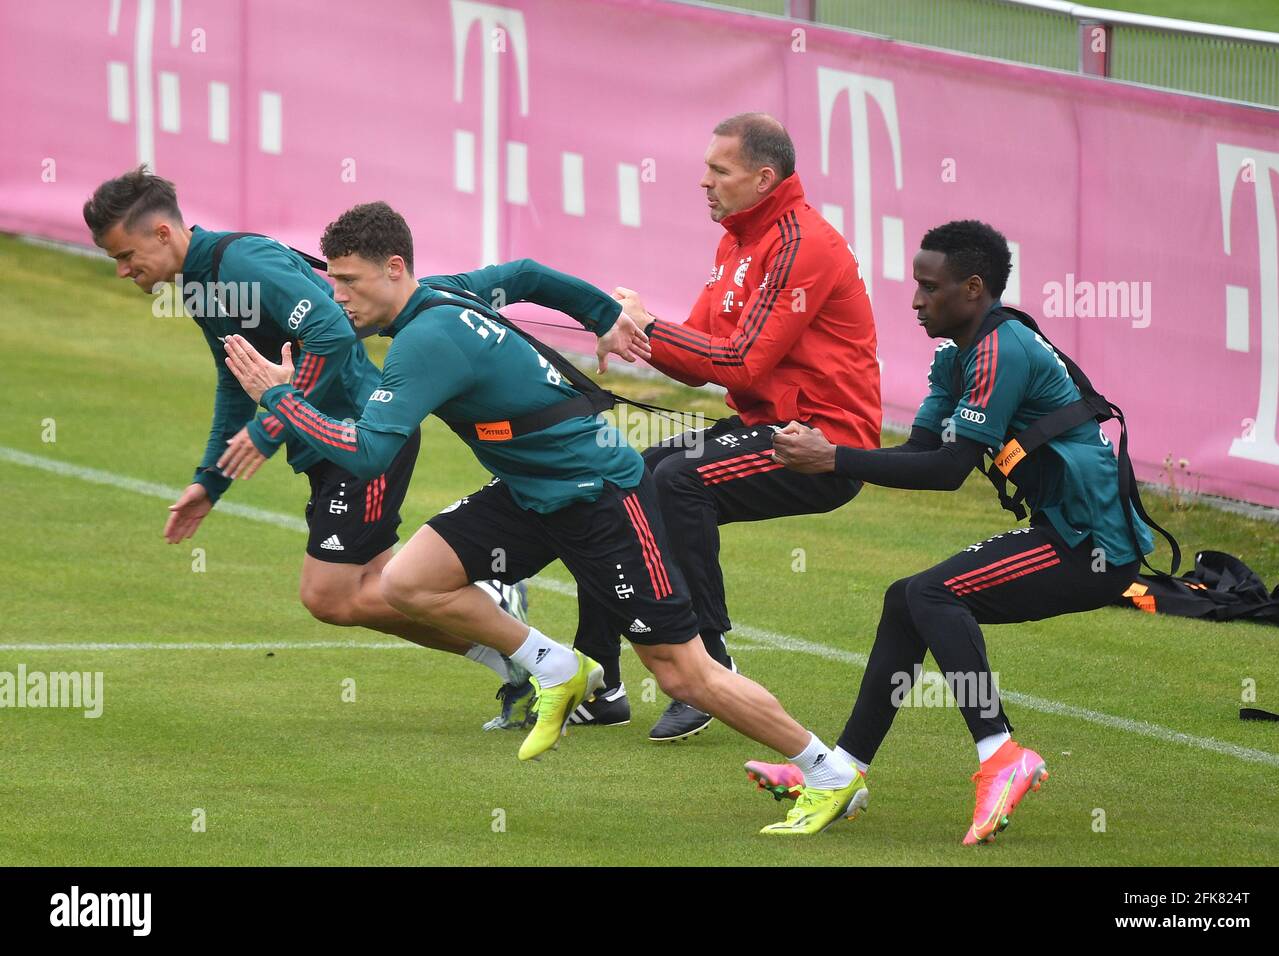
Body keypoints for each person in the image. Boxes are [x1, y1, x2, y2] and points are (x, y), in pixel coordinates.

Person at [224, 200, 870, 835]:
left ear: (395, 268)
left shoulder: (425, 341)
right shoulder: (447, 293)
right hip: (531, 492)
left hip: (602, 502)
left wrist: (278, 397)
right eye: (331, 279)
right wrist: (604, 317)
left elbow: (368, 454)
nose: (337, 297)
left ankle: (829, 771)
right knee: (409, 580)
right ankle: (556, 666)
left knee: (683, 671)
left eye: (348, 281)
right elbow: (530, 273)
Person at [745, 219, 1156, 843]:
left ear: (972, 288)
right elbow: (918, 453)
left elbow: (947, 471)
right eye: (915, 284)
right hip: (1064, 532)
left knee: (933, 594)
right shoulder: (955, 354)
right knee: (905, 598)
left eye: (927, 287)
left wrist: (833, 458)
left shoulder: (1001, 349)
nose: (914, 300)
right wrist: (826, 449)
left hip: (1093, 547)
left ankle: (1001, 753)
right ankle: (842, 772)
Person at [83, 167, 533, 729]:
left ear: (163, 234)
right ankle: (514, 656)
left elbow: (330, 328)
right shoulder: (200, 284)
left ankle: (500, 620)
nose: (124, 271)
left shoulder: (239, 262)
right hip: (325, 447)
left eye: (126, 255)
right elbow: (236, 381)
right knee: (368, 591)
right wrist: (211, 480)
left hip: (363, 437)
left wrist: (271, 425)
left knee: (329, 595)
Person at [572, 113, 881, 742]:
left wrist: (647, 327)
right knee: (626, 477)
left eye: (719, 170)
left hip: (823, 442)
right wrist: (633, 328)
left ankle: (708, 668)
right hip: (764, 426)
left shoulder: (803, 244)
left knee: (678, 481)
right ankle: (598, 678)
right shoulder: (737, 239)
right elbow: (701, 355)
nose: (703, 182)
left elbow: (740, 360)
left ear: (763, 178)